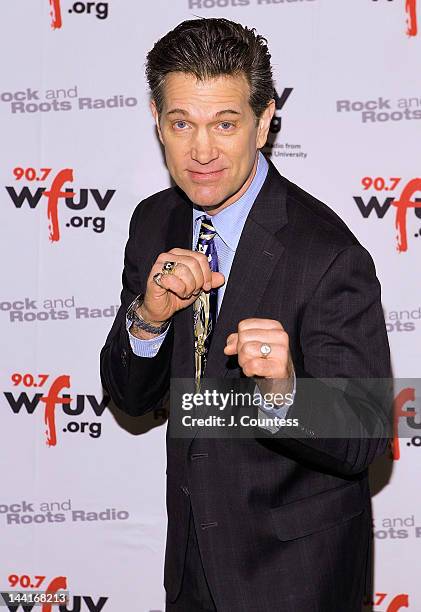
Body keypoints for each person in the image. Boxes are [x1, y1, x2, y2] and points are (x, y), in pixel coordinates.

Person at [100, 18, 391, 612]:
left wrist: (284, 392)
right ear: (157, 120)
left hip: (297, 578)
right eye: (182, 124)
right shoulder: (152, 224)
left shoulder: (327, 252)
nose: (201, 151)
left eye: (225, 124)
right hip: (190, 569)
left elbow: (368, 433)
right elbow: (129, 397)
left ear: (263, 124)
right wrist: (149, 319)